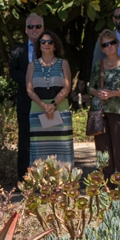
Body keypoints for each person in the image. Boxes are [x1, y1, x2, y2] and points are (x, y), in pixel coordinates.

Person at [25, 28, 75, 167]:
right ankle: (42, 183)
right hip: (38, 111)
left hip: (60, 110)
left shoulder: (63, 63)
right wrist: (43, 105)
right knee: (40, 148)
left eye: (49, 41)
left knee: (62, 147)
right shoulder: (32, 65)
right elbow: (29, 90)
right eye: (43, 41)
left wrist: (52, 104)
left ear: (55, 45)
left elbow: (67, 87)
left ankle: (64, 183)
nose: (46, 44)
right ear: (39, 45)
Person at [7, 12, 47, 179]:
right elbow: (13, 72)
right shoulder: (17, 50)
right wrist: (30, 84)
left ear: (43, 28)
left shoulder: (49, 47)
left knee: (44, 139)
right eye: (31, 26)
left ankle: (46, 177)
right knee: (25, 140)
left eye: (38, 26)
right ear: (25, 29)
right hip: (25, 101)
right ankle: (24, 178)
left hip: (46, 101)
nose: (34, 29)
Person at [92, 36, 120, 178]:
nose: (109, 46)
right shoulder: (98, 65)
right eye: (105, 44)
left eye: (112, 42)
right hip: (101, 112)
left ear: (117, 44)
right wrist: (97, 92)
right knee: (103, 152)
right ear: (102, 48)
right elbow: (90, 87)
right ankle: (107, 186)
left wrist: (113, 93)